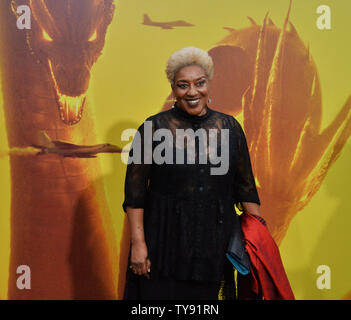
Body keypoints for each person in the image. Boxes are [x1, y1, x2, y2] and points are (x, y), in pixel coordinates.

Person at [122, 46, 261, 300]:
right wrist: (138, 244)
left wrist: (258, 246)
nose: (193, 92)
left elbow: (246, 188)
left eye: (199, 83)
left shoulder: (230, 128)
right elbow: (135, 194)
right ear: (173, 89)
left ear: (209, 83)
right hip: (162, 244)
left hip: (215, 245)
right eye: (183, 85)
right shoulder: (152, 128)